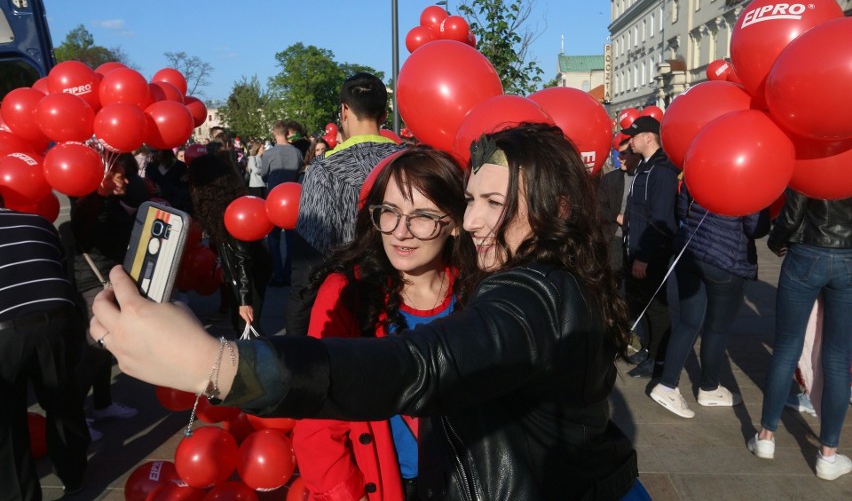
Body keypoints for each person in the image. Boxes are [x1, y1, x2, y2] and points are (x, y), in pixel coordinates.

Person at [90, 123, 638, 500]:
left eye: (494, 204)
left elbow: (419, 366)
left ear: (557, 207)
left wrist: (214, 365)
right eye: (473, 200)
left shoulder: (528, 294)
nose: (474, 222)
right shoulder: (519, 279)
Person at [293, 146, 476, 500]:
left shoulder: (478, 291)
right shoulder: (349, 292)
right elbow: (318, 414)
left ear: (454, 223)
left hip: (470, 482)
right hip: (384, 486)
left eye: (422, 216)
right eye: (389, 212)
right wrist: (348, 494)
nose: (400, 232)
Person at [748, 190, 852, 481]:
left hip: (806, 253)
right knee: (837, 357)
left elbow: (792, 213)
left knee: (786, 347)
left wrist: (776, 241)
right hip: (848, 257)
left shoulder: (812, 153)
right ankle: (828, 454)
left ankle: (766, 436)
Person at [290, 73, 403, 335]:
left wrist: (297, 333)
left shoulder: (324, 169)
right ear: (384, 116)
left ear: (344, 111)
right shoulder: (409, 162)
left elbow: (309, 260)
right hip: (402, 299)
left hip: (345, 305)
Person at [648, 183, 770, 418]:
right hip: (726, 259)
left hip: (691, 252)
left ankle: (667, 385)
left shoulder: (700, 165)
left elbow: (683, 209)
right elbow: (755, 227)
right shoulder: (750, 179)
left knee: (688, 322)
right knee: (717, 328)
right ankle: (709, 387)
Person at [0, 195, 90, 499]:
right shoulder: (38, 223)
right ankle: (74, 474)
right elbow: (58, 269)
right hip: (58, 320)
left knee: (8, 425)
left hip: (5, 333)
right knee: (64, 404)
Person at [67, 157, 143, 441]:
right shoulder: (88, 204)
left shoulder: (110, 202)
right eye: (119, 176)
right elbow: (88, 230)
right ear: (103, 178)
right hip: (92, 283)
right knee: (94, 350)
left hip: (107, 279)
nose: (125, 180)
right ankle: (73, 417)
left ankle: (102, 404)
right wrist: (101, 196)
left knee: (104, 349)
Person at [188, 154, 272, 336]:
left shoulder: (231, 212)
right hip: (247, 270)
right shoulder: (220, 207)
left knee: (248, 326)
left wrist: (244, 300)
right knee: (242, 324)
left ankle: (256, 362)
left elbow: (243, 257)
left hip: (250, 271)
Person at [621, 115, 679, 378]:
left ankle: (659, 359)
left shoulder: (662, 171)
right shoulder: (644, 167)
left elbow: (661, 219)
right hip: (634, 249)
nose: (630, 140)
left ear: (648, 137)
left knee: (657, 307)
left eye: (634, 135)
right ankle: (647, 349)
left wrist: (645, 257)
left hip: (650, 255)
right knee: (640, 301)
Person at [261, 121, 304, 287]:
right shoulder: (296, 152)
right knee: (292, 239)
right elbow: (299, 171)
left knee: (274, 238)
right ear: (287, 133)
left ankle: (278, 273)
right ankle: (288, 273)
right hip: (293, 199)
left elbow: (264, 175)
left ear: (274, 133)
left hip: (274, 199)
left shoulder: (270, 154)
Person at [598, 137, 641, 281]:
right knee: (613, 280)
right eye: (618, 153)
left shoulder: (645, 178)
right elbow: (598, 207)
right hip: (615, 237)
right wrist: (616, 217)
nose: (619, 158)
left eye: (624, 154)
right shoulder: (610, 179)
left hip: (637, 240)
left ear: (635, 154)